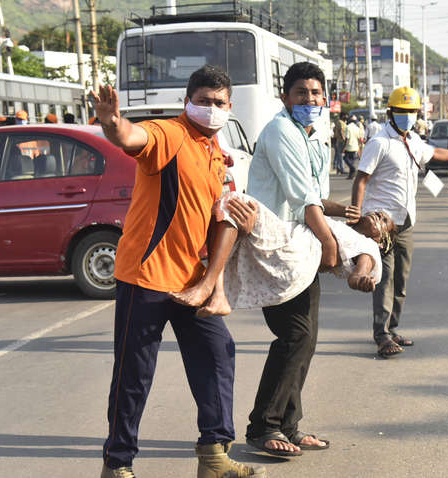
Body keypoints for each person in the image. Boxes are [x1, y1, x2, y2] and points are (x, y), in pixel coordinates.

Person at [92, 65, 265, 478]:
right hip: (145, 277)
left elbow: (217, 219)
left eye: (219, 103)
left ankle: (214, 455)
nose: (211, 109)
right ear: (188, 101)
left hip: (191, 281)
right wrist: (112, 122)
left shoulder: (215, 153)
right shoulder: (171, 134)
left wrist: (213, 284)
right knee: (134, 375)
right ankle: (117, 465)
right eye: (203, 101)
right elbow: (133, 137)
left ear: (230, 106)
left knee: (217, 355)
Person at [244, 61, 353, 457]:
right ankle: (264, 426)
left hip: (299, 243)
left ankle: (288, 426)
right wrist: (329, 241)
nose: (310, 99)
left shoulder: (313, 135)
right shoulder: (280, 131)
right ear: (285, 97)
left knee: (305, 339)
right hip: (275, 246)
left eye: (316, 93)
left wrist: (341, 215)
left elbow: (316, 196)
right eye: (302, 93)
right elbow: (301, 196)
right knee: (294, 335)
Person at [351, 86, 448, 358]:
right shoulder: (380, 142)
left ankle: (393, 327)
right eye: (402, 111)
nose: (407, 116)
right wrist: (357, 213)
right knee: (385, 277)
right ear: (390, 113)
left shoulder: (412, 140)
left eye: (411, 111)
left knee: (401, 279)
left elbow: (435, 153)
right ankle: (382, 334)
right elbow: (361, 179)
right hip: (382, 224)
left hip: (406, 222)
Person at [169, 191, 392, 316]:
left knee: (235, 202)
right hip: (291, 261)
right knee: (229, 231)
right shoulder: (342, 228)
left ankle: (212, 289)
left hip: (295, 253)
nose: (377, 216)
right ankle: (214, 293)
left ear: (381, 241)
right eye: (378, 212)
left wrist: (360, 278)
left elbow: (359, 270)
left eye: (384, 221)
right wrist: (342, 210)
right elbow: (312, 201)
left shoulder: (368, 247)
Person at [344, 114, 363, 178]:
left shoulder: (348, 127)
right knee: (352, 161)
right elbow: (359, 139)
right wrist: (360, 147)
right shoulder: (357, 128)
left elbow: (347, 138)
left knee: (346, 159)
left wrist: (344, 148)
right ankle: (351, 175)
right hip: (355, 147)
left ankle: (353, 169)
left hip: (349, 147)